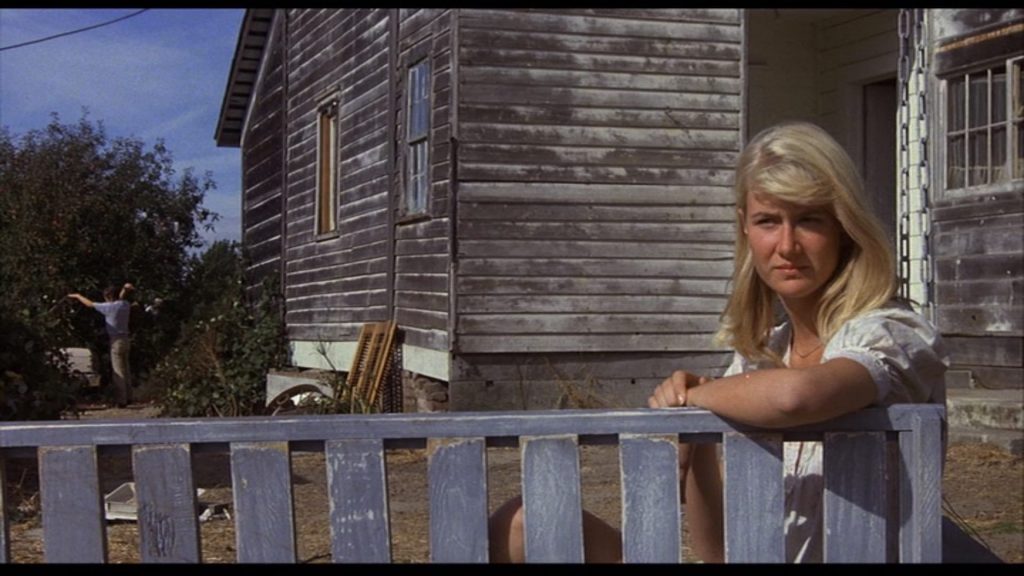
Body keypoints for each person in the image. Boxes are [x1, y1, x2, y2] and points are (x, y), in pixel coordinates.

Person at [487, 121, 948, 563]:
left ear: (844, 228)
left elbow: (795, 397)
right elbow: (717, 548)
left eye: (809, 221)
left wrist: (700, 396)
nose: (787, 246)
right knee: (521, 524)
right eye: (769, 221)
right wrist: (701, 436)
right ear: (745, 228)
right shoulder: (761, 354)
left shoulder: (894, 333)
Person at [68, 282, 136, 407]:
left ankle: (121, 400)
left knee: (118, 370)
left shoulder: (108, 308)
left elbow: (90, 304)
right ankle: (129, 396)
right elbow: (121, 297)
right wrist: (125, 289)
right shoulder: (124, 305)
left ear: (108, 297)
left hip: (115, 340)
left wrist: (78, 296)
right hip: (126, 339)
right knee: (126, 368)